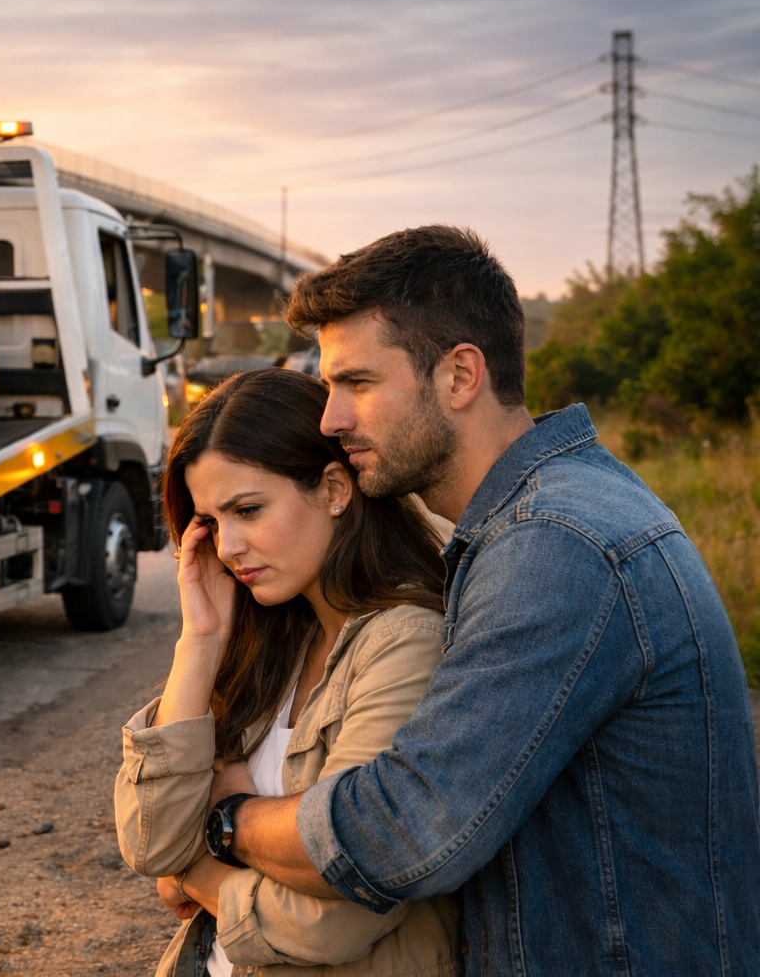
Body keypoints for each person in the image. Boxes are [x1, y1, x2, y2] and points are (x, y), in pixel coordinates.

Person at [212, 226, 760, 975]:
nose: (329, 419)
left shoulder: (557, 545)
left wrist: (231, 821)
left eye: (358, 383)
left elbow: (407, 831)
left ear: (461, 376)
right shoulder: (550, 516)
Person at [115, 368, 461, 977]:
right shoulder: (273, 636)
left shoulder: (405, 643)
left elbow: (336, 920)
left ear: (333, 489)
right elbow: (150, 841)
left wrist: (207, 852)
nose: (228, 548)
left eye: (248, 509)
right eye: (214, 523)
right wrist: (200, 640)